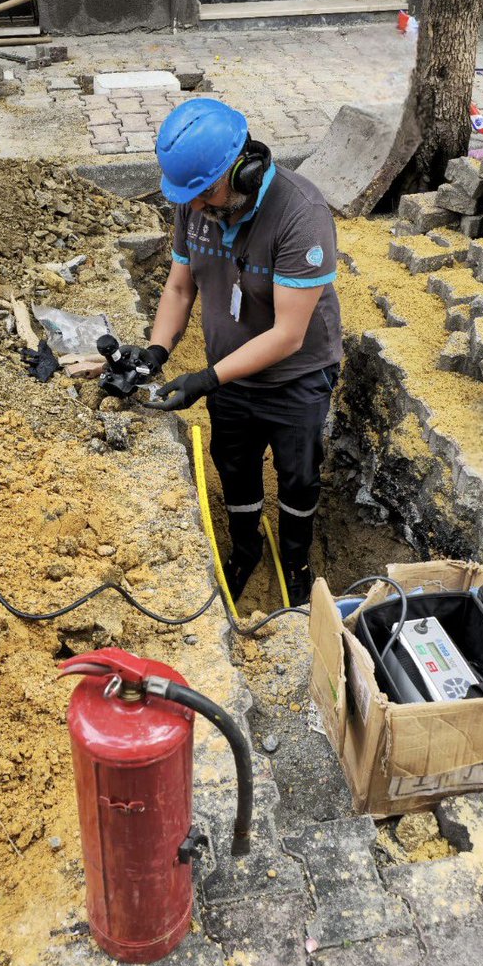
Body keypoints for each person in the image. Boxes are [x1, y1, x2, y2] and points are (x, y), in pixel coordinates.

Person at [130, 97, 344, 608]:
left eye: (205, 194)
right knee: (235, 467)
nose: (195, 208)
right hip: (230, 375)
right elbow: (179, 287)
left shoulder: (301, 214)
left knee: (298, 477)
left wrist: (206, 379)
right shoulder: (194, 201)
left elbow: (288, 335)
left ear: (244, 170)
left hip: (296, 377)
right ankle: (245, 548)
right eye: (189, 198)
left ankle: (295, 559)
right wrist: (157, 351)